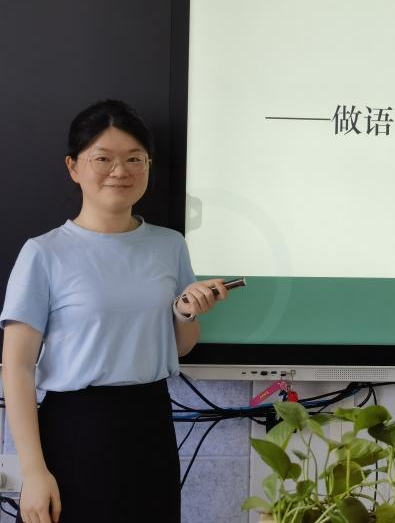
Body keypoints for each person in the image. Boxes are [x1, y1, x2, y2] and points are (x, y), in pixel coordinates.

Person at [1, 100, 230, 523]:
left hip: (151, 424)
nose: (120, 171)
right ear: (73, 167)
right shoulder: (44, 253)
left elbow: (181, 347)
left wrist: (186, 313)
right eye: (103, 158)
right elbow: (16, 366)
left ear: (149, 165)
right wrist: (32, 472)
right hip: (74, 430)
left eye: (134, 159)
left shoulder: (170, 245)